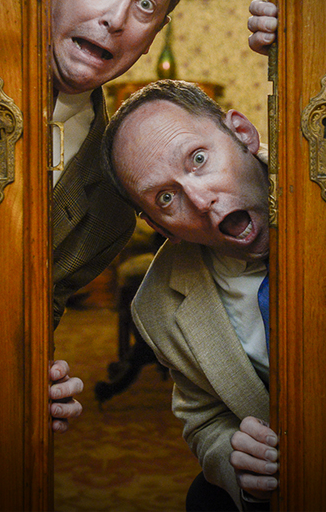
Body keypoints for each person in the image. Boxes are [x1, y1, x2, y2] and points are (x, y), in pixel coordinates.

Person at [46, 0, 195, 432]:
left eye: (146, 5)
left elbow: (38, 312)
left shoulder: (110, 209)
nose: (115, 18)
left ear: (156, 33)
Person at [101, 80, 279, 511]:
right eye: (166, 197)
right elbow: (205, 420)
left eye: (198, 159)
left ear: (242, 133)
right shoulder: (157, 306)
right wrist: (240, 464)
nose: (200, 200)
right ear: (159, 227)